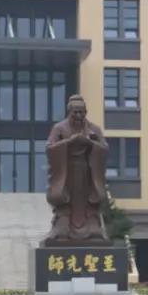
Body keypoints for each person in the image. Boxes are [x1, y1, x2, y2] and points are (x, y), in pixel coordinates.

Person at [44, 94, 108, 242]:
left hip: (87, 171)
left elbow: (104, 148)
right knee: (65, 196)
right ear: (69, 112)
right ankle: (63, 222)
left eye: (82, 112)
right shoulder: (59, 128)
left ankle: (92, 222)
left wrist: (90, 143)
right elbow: (50, 148)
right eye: (75, 112)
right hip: (67, 170)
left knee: (89, 197)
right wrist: (69, 142)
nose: (79, 116)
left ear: (86, 112)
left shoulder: (94, 129)